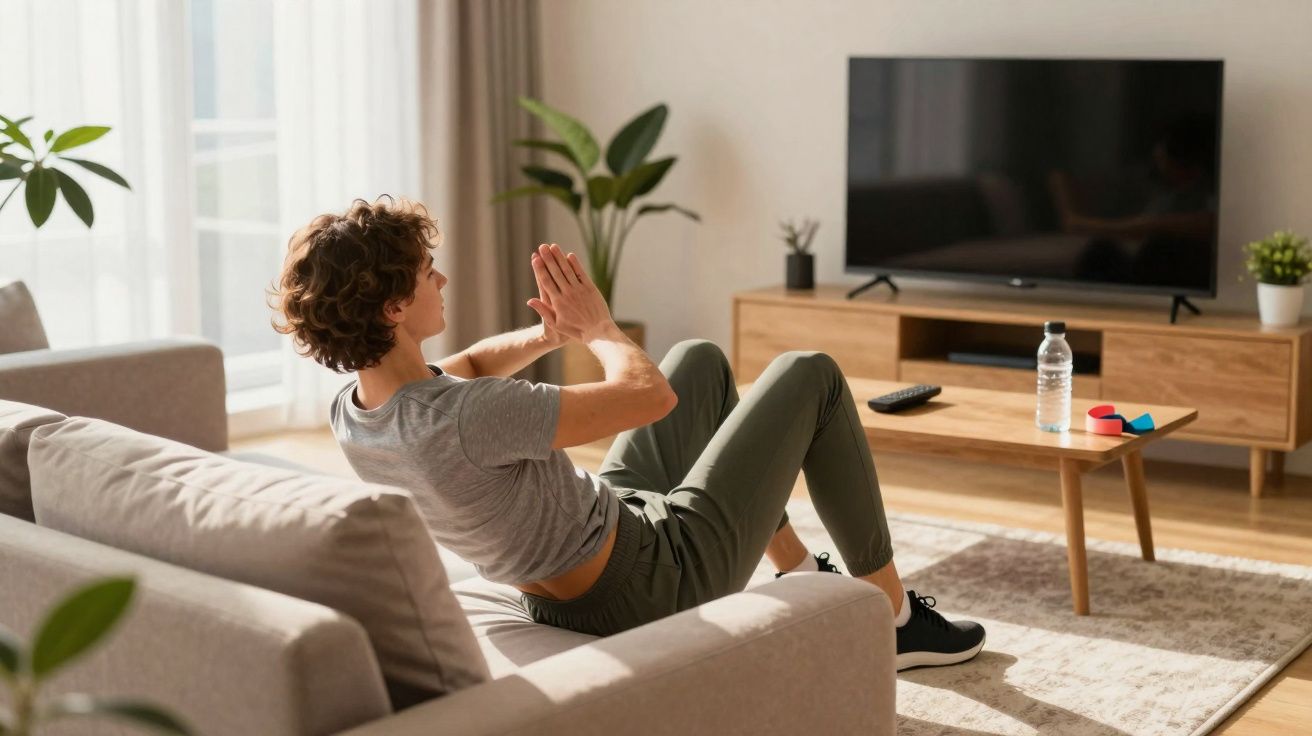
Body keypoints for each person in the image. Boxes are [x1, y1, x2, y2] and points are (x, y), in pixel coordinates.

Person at [272, 196, 985, 671]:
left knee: (702, 360)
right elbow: (647, 396)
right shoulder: (472, 418)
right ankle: (893, 620)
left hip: (578, 564)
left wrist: (550, 331)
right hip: (653, 581)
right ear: (397, 305)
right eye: (430, 273)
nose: (445, 278)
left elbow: (470, 365)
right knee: (811, 373)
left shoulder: (359, 410)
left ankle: (800, 574)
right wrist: (600, 330)